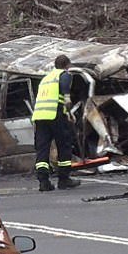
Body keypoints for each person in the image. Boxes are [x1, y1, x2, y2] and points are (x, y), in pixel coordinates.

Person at [32, 54, 81, 191]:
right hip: (55, 114)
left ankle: (43, 182)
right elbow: (65, 90)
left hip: (40, 116)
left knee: (42, 149)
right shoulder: (64, 75)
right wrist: (68, 106)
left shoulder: (46, 78)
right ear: (67, 65)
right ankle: (64, 180)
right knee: (64, 145)